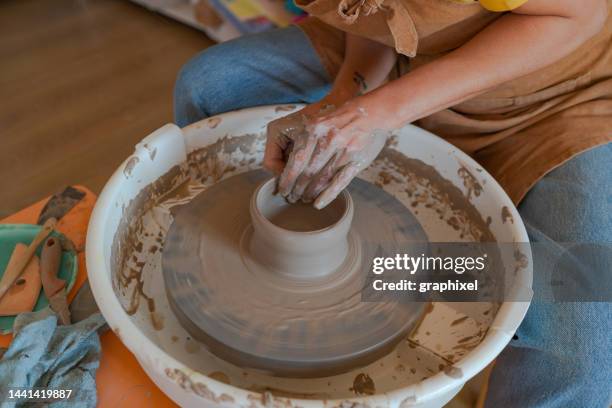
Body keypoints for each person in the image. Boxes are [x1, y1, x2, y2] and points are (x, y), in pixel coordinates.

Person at [173, 0, 612, 405]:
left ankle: (428, 280)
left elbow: (577, 13)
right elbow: (371, 12)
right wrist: (346, 99)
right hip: (409, 57)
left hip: (556, 98)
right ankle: (405, 277)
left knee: (582, 354)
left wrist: (379, 114)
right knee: (213, 88)